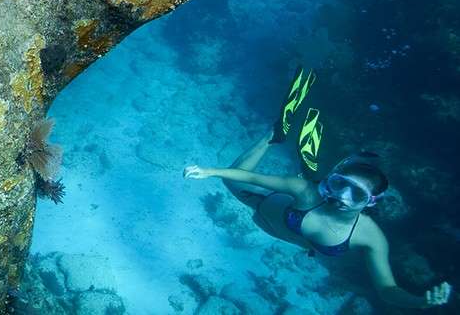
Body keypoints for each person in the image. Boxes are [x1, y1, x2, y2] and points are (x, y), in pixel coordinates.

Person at [184, 130, 452, 309]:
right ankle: (273, 135)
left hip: (275, 224)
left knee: (231, 177)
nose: (342, 197)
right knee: (231, 179)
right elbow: (253, 178)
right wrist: (208, 171)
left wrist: (419, 302)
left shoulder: (371, 238)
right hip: (265, 204)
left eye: (356, 193)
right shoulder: (306, 190)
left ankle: (275, 134)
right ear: (330, 181)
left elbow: (387, 289)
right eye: (338, 184)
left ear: (370, 202)